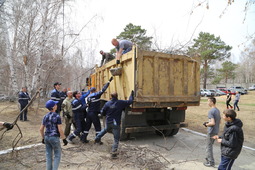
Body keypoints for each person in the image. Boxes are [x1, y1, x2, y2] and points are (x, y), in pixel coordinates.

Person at [95, 91, 134, 158]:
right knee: (116, 139)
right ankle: (113, 152)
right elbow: (130, 101)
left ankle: (97, 139)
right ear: (117, 96)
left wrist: (103, 113)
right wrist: (131, 95)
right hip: (116, 123)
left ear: (111, 97)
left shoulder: (107, 103)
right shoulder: (120, 103)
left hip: (108, 122)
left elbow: (103, 112)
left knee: (105, 130)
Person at [82, 76, 113, 143]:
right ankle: (98, 140)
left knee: (87, 126)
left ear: (90, 91)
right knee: (98, 127)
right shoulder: (96, 95)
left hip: (88, 113)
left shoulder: (88, 97)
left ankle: (83, 139)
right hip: (94, 113)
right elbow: (103, 89)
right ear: (95, 91)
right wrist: (108, 81)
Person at [39, 100, 67, 170]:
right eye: (55, 104)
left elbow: (41, 129)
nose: (56, 105)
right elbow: (60, 129)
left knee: (48, 155)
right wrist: (64, 139)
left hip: (47, 137)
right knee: (57, 155)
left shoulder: (45, 116)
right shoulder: (57, 116)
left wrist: (43, 138)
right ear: (53, 107)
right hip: (54, 137)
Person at [203, 97, 221, 167]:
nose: (207, 103)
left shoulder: (211, 111)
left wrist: (206, 124)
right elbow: (219, 122)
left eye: (208, 101)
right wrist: (209, 122)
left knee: (209, 146)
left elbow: (212, 123)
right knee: (210, 146)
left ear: (212, 102)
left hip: (211, 131)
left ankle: (210, 162)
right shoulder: (217, 110)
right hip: (216, 130)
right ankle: (209, 159)